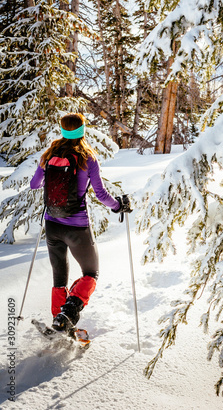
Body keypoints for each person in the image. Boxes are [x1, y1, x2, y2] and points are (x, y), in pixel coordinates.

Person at [30, 113, 127, 333]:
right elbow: (101, 194)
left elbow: (34, 185)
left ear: (63, 130)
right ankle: (68, 313)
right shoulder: (87, 158)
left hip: (52, 225)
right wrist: (118, 206)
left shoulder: (49, 155)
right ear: (82, 131)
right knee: (91, 273)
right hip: (77, 228)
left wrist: (44, 169)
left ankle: (59, 321)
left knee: (59, 277)